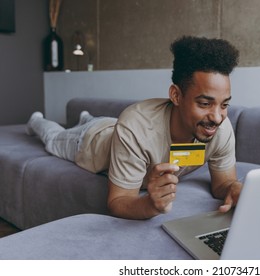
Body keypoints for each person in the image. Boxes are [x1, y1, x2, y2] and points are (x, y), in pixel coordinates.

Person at [26, 35, 241, 220]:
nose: (217, 117)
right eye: (204, 104)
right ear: (176, 95)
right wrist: (150, 205)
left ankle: (86, 117)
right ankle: (36, 121)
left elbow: (223, 183)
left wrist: (234, 189)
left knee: (100, 122)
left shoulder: (220, 128)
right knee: (53, 138)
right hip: (90, 140)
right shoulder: (135, 127)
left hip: (116, 130)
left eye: (224, 104)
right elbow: (119, 201)